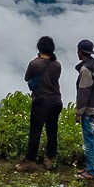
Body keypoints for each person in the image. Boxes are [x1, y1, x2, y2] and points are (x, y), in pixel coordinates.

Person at [16, 36, 63, 173]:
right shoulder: (57, 64)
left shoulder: (35, 64)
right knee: (52, 131)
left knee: (35, 132)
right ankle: (49, 159)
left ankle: (30, 161)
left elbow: (27, 78)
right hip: (56, 101)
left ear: (39, 48)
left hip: (42, 101)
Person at [73, 39, 94, 181]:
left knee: (88, 141)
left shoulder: (86, 70)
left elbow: (83, 93)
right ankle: (93, 166)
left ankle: (91, 171)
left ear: (81, 52)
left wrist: (79, 112)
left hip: (89, 110)